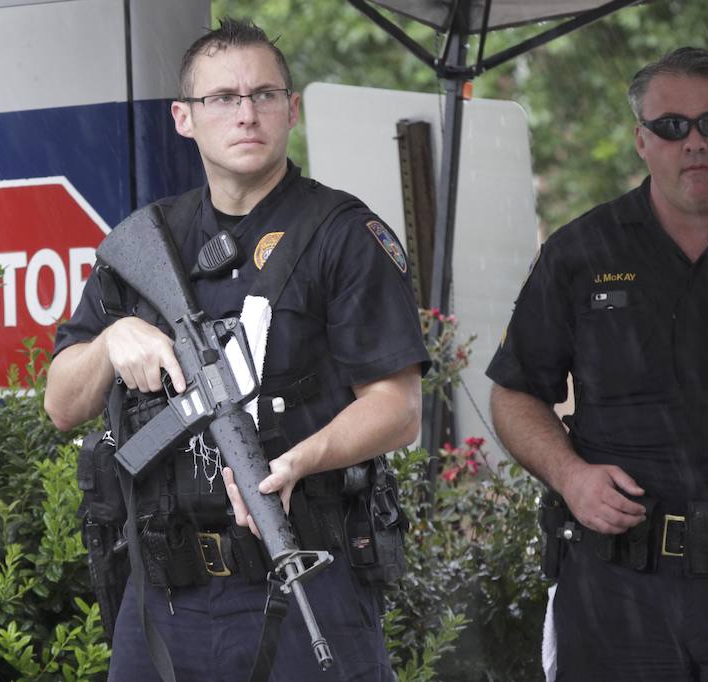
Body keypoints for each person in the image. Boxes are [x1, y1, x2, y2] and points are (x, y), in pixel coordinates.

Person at [44, 18, 429, 681]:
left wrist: (298, 461)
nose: (246, 113)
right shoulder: (145, 241)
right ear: (184, 118)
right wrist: (110, 341)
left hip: (306, 578)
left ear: (291, 109)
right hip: (164, 602)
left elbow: (398, 408)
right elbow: (60, 403)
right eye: (222, 98)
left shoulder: (341, 234)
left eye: (264, 95)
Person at [487, 46, 708, 681]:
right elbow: (515, 393)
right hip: (618, 584)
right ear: (641, 141)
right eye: (671, 126)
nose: (694, 142)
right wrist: (570, 476)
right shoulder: (582, 250)